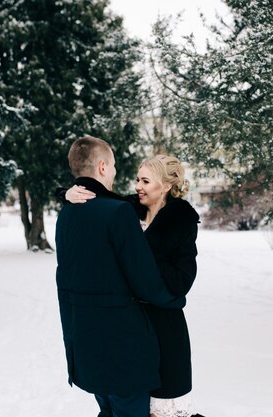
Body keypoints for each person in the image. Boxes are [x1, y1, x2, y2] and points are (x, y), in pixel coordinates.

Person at [55, 136, 185, 417]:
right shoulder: (119, 213)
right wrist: (175, 300)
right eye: (113, 165)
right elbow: (146, 282)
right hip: (123, 355)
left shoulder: (66, 214)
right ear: (102, 167)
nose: (115, 172)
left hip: (86, 350)